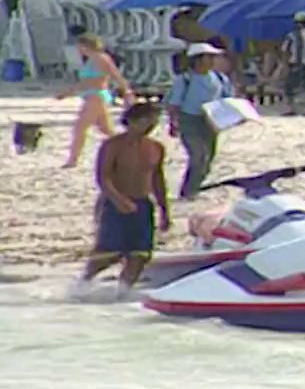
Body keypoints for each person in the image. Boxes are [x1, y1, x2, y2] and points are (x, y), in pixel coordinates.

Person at [73, 102, 170, 298]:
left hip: (143, 204)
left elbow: (158, 179)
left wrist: (164, 210)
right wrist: (119, 200)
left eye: (154, 121)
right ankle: (82, 284)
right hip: (113, 204)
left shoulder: (155, 148)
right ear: (132, 121)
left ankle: (123, 292)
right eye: (146, 121)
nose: (151, 125)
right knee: (109, 254)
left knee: (140, 254)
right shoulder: (113, 145)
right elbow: (103, 177)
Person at [55, 33, 135, 168]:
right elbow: (115, 76)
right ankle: (129, 152)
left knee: (80, 128)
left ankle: (73, 160)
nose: (78, 50)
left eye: (80, 47)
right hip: (95, 95)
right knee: (107, 130)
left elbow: (94, 81)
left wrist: (68, 92)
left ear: (85, 46)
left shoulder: (100, 59)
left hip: (96, 95)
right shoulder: (94, 59)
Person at [164, 43, 232, 200]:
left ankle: (195, 188)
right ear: (197, 60)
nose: (213, 60)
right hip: (190, 120)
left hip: (211, 122)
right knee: (198, 156)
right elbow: (174, 103)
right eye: (209, 57)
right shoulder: (185, 79)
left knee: (208, 159)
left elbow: (227, 99)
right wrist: (173, 123)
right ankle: (188, 191)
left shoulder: (220, 78)